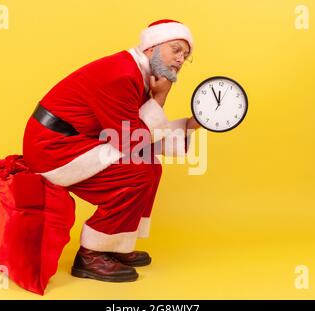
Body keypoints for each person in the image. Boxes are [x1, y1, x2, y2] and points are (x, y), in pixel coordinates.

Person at [22, 19, 200, 282]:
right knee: (136, 173)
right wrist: (159, 97)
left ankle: (116, 245)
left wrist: (189, 126)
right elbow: (130, 141)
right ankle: (91, 254)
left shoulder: (138, 73)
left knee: (150, 167)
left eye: (185, 55)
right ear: (151, 47)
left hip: (81, 140)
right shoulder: (122, 74)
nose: (181, 59)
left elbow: (133, 133)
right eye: (176, 49)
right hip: (53, 148)